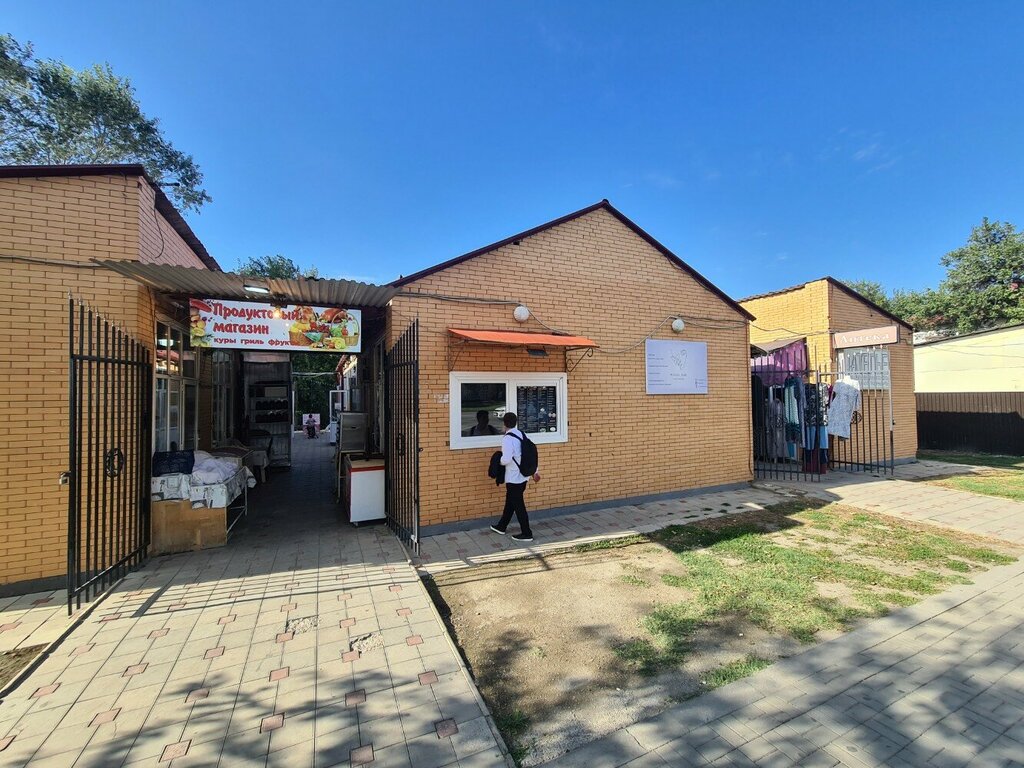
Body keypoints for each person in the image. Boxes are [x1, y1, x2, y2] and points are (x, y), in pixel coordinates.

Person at [490, 412, 540, 542]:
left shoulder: (507, 439)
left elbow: (506, 459)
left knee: (518, 506)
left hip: (513, 477)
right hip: (523, 476)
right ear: (515, 422)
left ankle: (527, 533)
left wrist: (498, 461)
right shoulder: (521, 434)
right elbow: (529, 454)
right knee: (510, 502)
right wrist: (535, 471)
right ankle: (501, 526)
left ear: (504, 423)